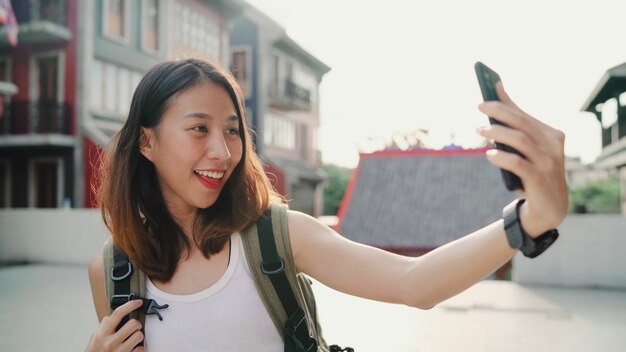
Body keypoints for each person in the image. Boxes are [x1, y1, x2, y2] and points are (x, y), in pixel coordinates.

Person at [85, 58, 568, 351]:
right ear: (146, 142)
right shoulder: (113, 271)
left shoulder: (277, 236)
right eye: (199, 129)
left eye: (232, 129)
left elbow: (413, 283)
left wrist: (528, 220)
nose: (223, 150)